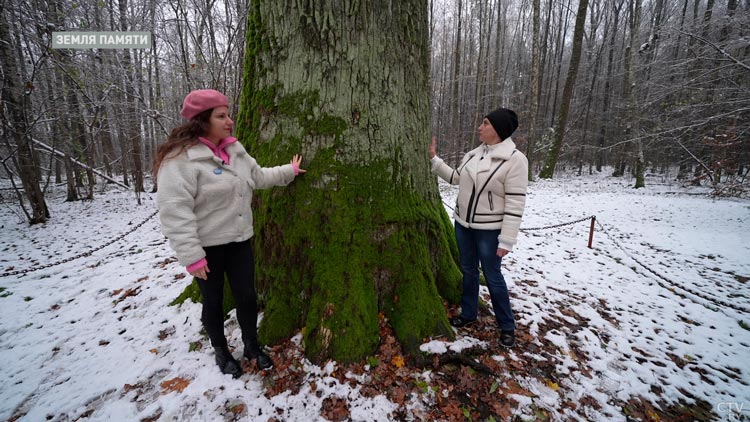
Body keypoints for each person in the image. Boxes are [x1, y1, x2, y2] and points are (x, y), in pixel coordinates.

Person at [153, 89, 305, 377]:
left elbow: (258, 177)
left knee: (247, 297)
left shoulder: (235, 150)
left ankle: (251, 346)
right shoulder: (180, 160)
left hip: (239, 241)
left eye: (228, 114)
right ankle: (221, 352)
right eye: (221, 116)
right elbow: (175, 211)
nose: (230, 121)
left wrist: (290, 171)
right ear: (201, 120)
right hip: (206, 249)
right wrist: (192, 256)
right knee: (213, 302)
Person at [429, 107, 528, 348]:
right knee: (468, 270)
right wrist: (434, 158)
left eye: (485, 123)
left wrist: (507, 240)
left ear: (499, 130)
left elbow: (516, 203)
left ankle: (507, 326)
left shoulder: (515, 160)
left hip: (490, 230)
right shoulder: (474, 154)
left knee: (493, 276)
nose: (479, 127)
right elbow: (455, 178)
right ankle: (469, 313)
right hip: (463, 224)